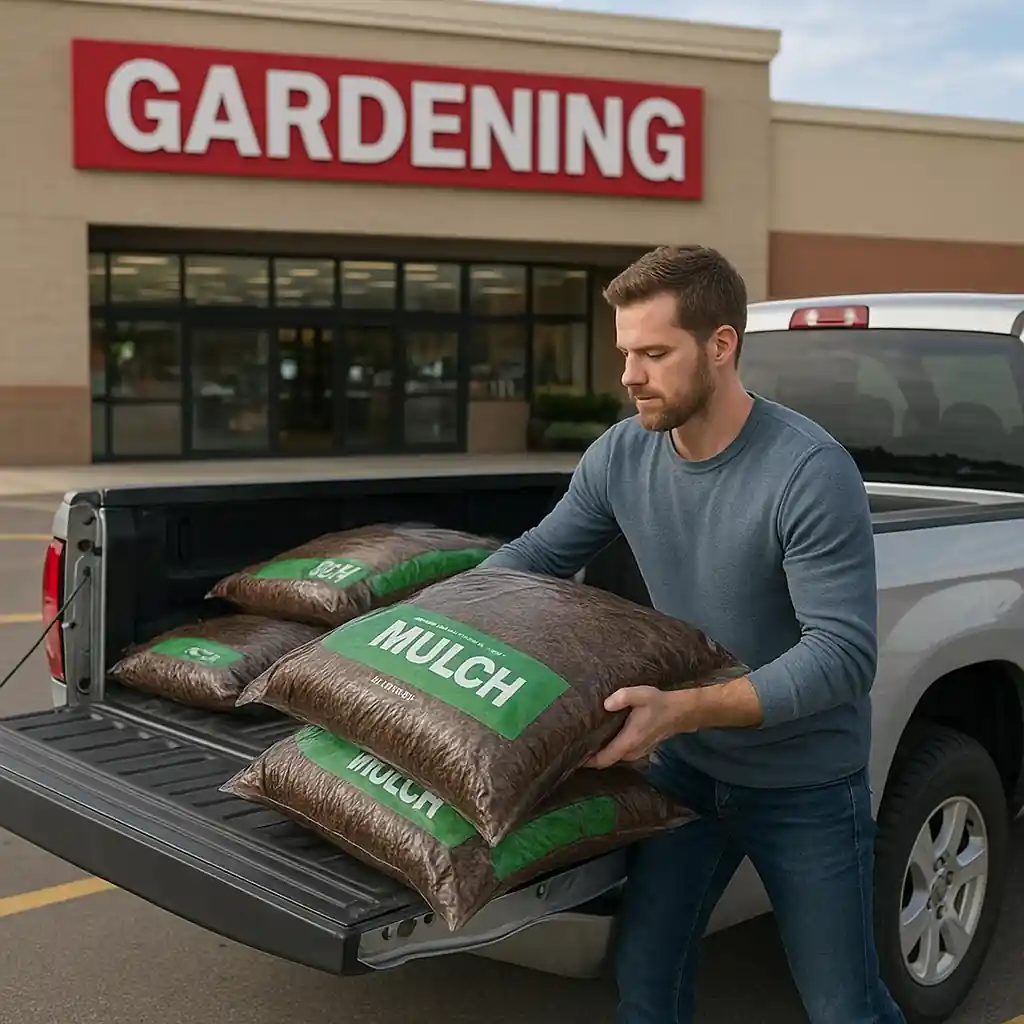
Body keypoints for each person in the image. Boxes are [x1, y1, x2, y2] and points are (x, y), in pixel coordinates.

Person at [478, 245, 906, 1024]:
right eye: (624, 354)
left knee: (847, 1009)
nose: (629, 376)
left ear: (720, 346)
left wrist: (680, 710)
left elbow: (843, 656)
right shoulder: (622, 452)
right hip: (685, 777)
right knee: (646, 990)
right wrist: (424, 616)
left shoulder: (809, 471)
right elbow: (537, 557)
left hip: (804, 786)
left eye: (653, 353)